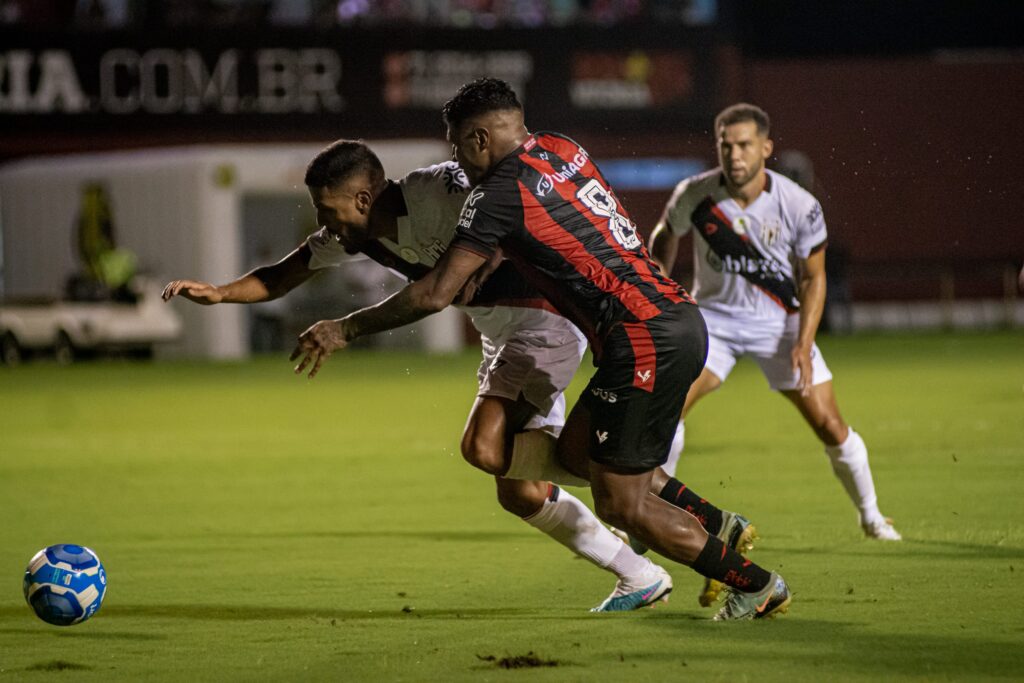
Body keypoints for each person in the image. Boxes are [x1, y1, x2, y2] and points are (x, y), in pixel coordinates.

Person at [290, 79, 791, 620]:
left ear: (481, 139)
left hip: (642, 339)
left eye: (459, 147)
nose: (458, 162)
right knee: (577, 456)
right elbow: (541, 230)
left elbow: (436, 292)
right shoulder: (560, 147)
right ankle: (716, 524)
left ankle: (756, 585)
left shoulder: (496, 194)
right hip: (669, 320)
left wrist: (347, 330)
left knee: (622, 504)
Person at [163, 140, 675, 612]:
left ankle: (646, 483)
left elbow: (507, 210)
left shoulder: (439, 189)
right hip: (504, 334)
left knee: (482, 445)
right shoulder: (354, 236)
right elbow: (281, 275)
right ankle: (637, 570)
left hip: (544, 319)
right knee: (518, 490)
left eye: (327, 210)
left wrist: (348, 328)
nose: (323, 222)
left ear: (363, 198)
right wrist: (219, 293)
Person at [648, 103, 902, 541]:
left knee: (828, 424)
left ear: (766, 147)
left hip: (779, 326)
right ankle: (651, 519)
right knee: (667, 412)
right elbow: (666, 234)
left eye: (745, 145)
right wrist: (656, 291)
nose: (735, 155)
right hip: (715, 323)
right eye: (725, 146)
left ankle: (872, 517)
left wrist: (803, 342)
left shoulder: (799, 205)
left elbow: (814, 277)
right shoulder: (695, 193)